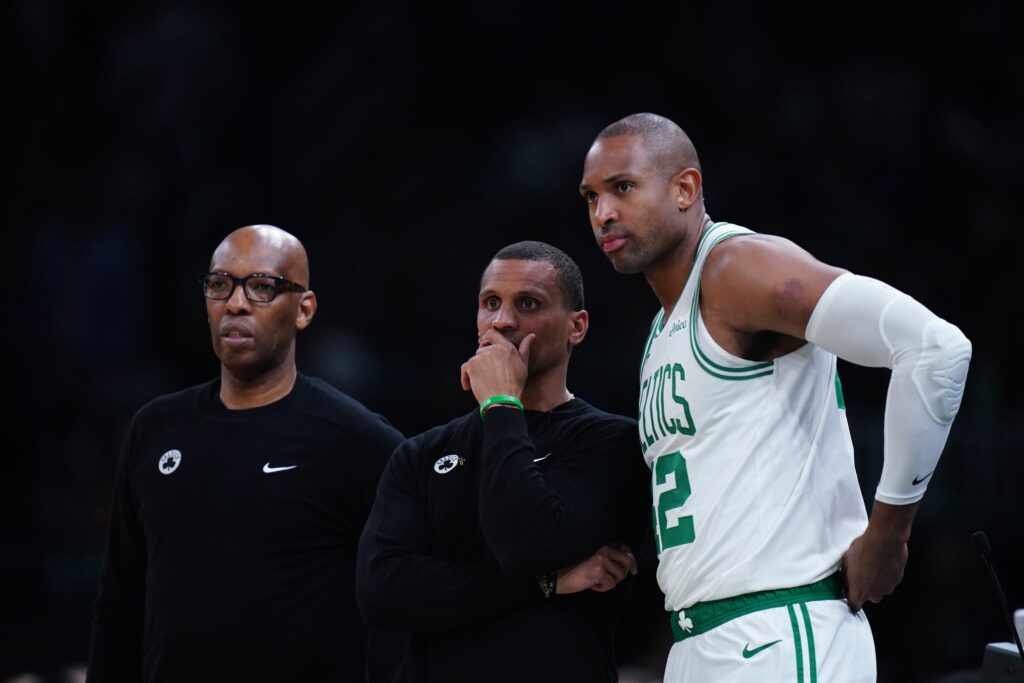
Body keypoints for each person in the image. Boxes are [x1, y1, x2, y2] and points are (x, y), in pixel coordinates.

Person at [578, 113, 972, 682]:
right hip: (700, 639)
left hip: (782, 630)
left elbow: (935, 349)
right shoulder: (661, 330)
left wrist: (890, 531)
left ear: (685, 189)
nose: (603, 213)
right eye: (591, 197)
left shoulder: (737, 268)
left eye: (623, 187)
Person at [88, 225, 404, 682]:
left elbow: (407, 598)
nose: (235, 304)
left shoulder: (355, 438)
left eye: (261, 287)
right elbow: (120, 601)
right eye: (220, 285)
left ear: (304, 309)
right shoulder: (155, 428)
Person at [356, 241, 650, 682]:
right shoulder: (422, 453)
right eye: (490, 303)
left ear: (577, 327)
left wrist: (500, 404)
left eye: (528, 304)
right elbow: (382, 593)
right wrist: (547, 584)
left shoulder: (612, 442)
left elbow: (525, 545)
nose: (502, 321)